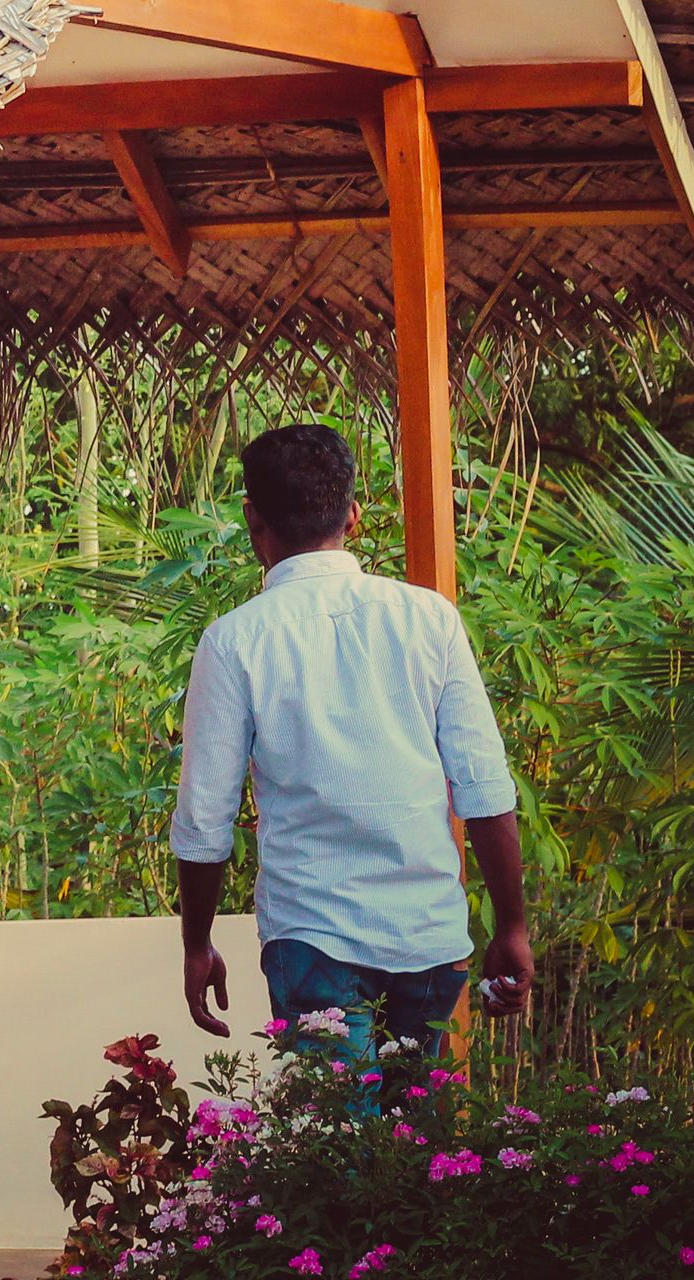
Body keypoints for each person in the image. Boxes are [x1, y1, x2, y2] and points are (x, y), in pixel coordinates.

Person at [167, 422, 530, 1067]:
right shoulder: (429, 619)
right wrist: (512, 925)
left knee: (336, 1148)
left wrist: (198, 943)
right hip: (428, 938)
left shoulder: (235, 642)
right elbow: (483, 785)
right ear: (354, 516)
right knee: (411, 1150)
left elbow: (204, 820)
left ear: (254, 519)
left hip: (312, 938)